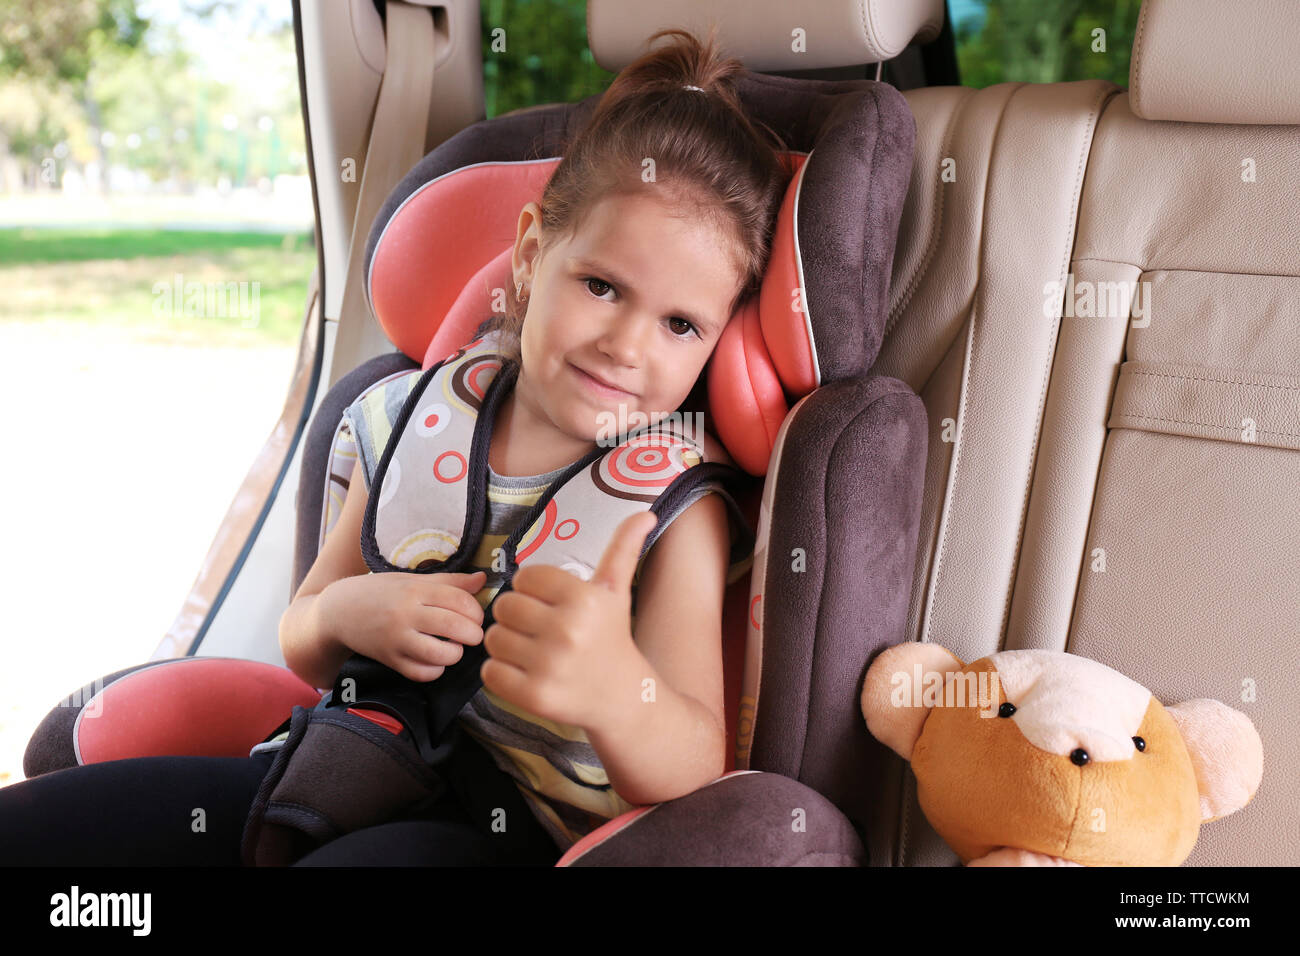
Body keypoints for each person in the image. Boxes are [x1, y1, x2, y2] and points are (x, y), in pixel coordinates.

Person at [0, 24, 789, 866]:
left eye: (680, 324)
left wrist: (615, 691)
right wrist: (351, 615)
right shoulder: (417, 415)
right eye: (601, 286)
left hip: (500, 827)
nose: (627, 345)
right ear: (529, 255)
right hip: (342, 760)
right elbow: (303, 632)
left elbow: (702, 760)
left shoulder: (675, 509)